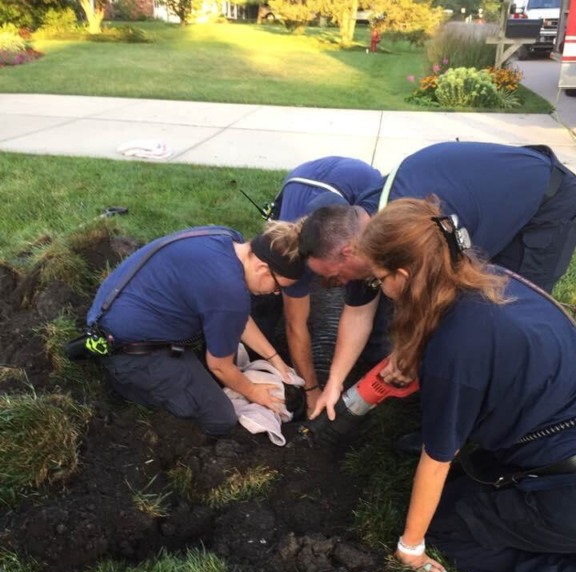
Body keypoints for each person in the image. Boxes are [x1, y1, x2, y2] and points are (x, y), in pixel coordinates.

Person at [355, 195, 576, 572]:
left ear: (402, 276)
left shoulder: (457, 349)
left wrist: (411, 547)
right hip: (557, 438)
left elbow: (437, 459)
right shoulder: (495, 280)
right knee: (464, 494)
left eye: (378, 279)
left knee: (448, 526)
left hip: (565, 489)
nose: (380, 288)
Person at [281, 141, 576, 419]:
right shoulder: (364, 229)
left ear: (348, 253)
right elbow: (358, 312)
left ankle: (495, 422)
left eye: (335, 276)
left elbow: (440, 298)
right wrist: (334, 382)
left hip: (544, 203)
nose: (341, 283)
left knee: (498, 317)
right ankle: (446, 415)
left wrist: (410, 351)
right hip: (482, 201)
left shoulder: (418, 233)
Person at [86, 226, 304, 437]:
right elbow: (219, 366)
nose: (276, 293)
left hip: (113, 309)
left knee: (219, 357)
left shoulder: (228, 239)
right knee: (221, 418)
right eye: (278, 287)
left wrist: (275, 358)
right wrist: (255, 392)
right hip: (129, 351)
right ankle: (126, 387)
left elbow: (238, 317)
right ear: (262, 269)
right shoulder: (229, 292)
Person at [251, 156, 384, 415]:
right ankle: (254, 344)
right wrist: (311, 390)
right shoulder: (292, 264)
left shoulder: (370, 214)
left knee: (372, 282)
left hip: (358, 182)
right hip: (302, 181)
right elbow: (295, 324)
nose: (337, 283)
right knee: (271, 298)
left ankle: (374, 356)